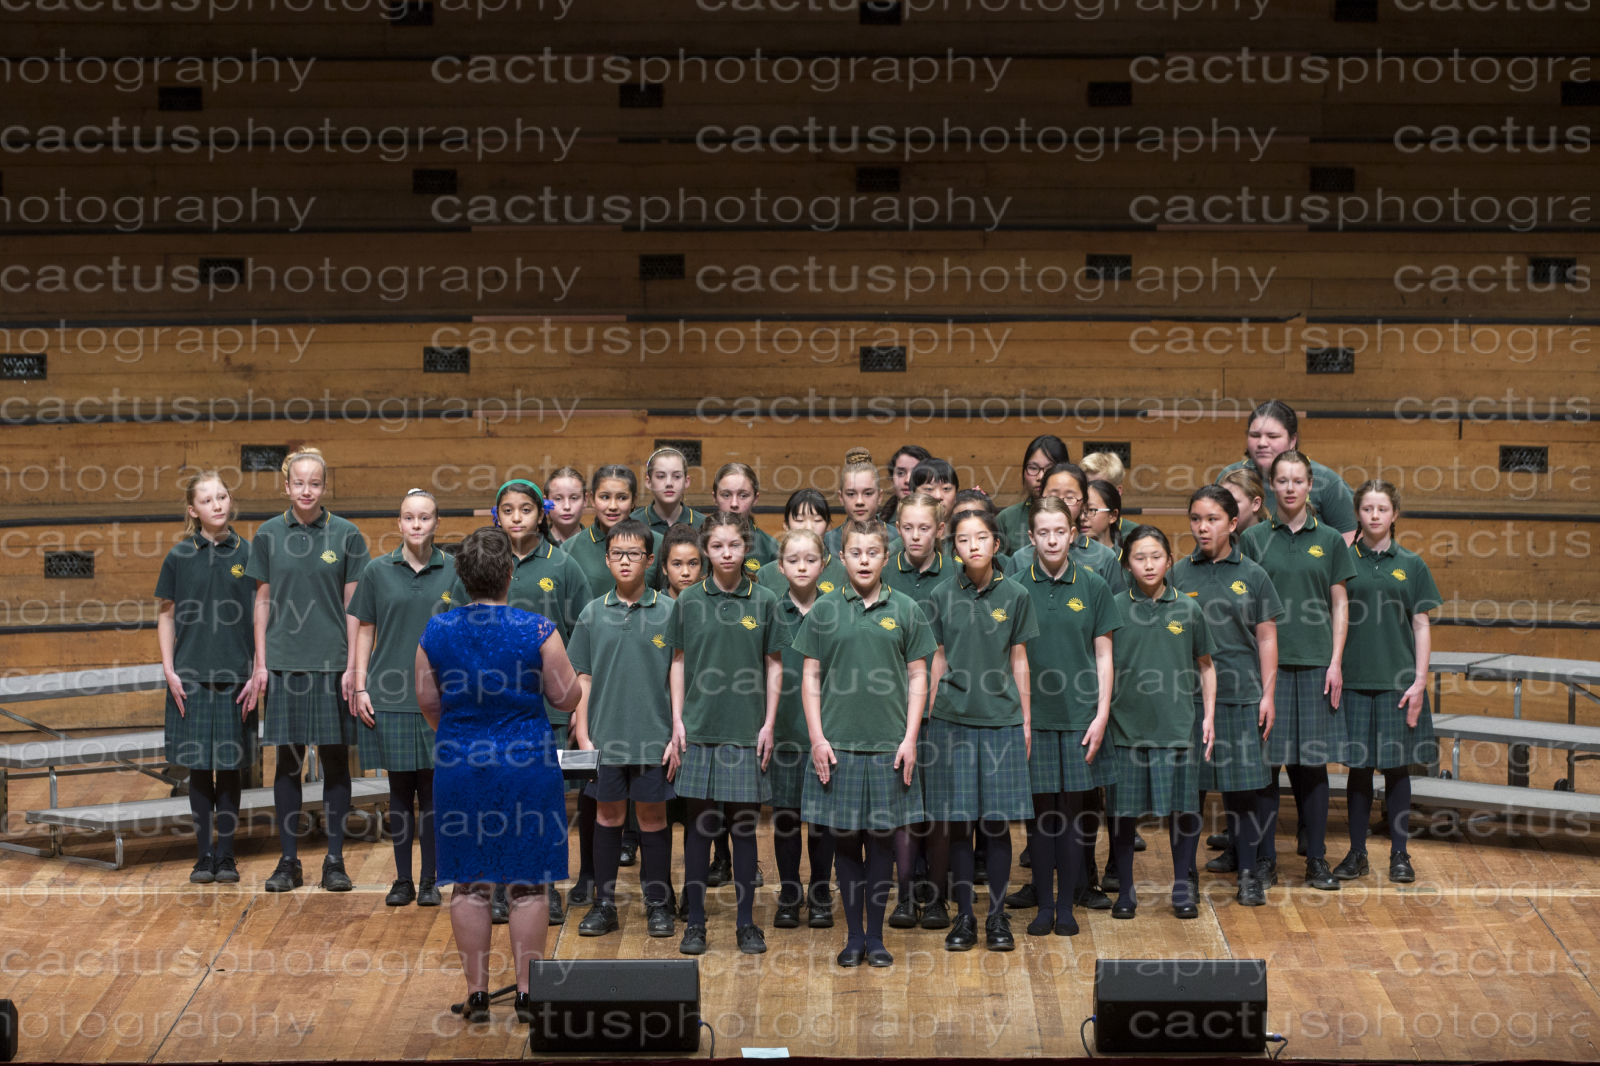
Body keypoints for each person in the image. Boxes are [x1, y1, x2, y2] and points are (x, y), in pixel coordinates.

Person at [417, 526, 580, 1025]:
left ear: (461, 576)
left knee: (470, 884)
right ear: (510, 572)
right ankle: (528, 994)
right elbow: (566, 698)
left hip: (461, 766)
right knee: (528, 884)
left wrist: (463, 735)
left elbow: (428, 702)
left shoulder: (436, 631)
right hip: (527, 766)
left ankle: (478, 994)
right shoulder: (537, 629)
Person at [452, 478, 592, 922]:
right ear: (496, 516)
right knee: (492, 801)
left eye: (526, 509)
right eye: (508, 510)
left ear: (541, 514)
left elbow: (583, 634)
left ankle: (542, 885)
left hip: (545, 708)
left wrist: (579, 702)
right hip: (488, 709)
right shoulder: (481, 563)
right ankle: (496, 886)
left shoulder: (563, 564)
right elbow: (458, 626)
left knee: (540, 805)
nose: (517, 517)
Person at [798, 518, 936, 968]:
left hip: (889, 747)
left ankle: (875, 937)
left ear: (885, 557)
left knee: (880, 845)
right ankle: (853, 936)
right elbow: (810, 677)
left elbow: (919, 676)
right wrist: (817, 738)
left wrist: (910, 739)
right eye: (855, 553)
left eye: (872, 553)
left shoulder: (908, 609)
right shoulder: (823, 609)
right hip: (837, 748)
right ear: (841, 558)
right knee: (844, 845)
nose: (863, 560)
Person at [245, 447, 370, 893]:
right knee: (288, 763)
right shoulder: (267, 534)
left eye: (314, 483)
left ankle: (334, 861)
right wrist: (261, 662)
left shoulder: (348, 534)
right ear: (286, 486)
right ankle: (288, 861)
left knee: (335, 762)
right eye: (299, 482)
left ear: (324, 486)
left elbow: (355, 607)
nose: (306, 490)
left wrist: (353, 666)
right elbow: (262, 602)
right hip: (284, 664)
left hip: (333, 664)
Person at [667, 512, 790, 956]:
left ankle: (746, 924)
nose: (725, 553)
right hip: (699, 731)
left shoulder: (766, 600)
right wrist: (677, 720)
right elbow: (678, 661)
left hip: (746, 732)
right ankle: (695, 923)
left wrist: (769, 723)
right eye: (717, 546)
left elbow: (774, 665)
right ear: (706, 550)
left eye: (734, 545)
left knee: (743, 829)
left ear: (746, 548)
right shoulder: (688, 600)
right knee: (699, 829)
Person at [1240, 450, 1356, 892]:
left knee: (1312, 766)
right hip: (1265, 670)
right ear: (1271, 485)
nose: (1289, 488)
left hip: (1315, 667)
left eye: (1298, 480)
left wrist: (1336, 661)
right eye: (1282, 480)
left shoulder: (1329, 540)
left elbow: (1339, 604)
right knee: (1266, 767)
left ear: (1310, 486)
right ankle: (1265, 859)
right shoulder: (1253, 540)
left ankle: (1317, 859)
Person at [923, 508, 1038, 951]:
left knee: (996, 824)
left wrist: (1025, 719)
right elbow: (937, 657)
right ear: (953, 546)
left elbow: (1019, 658)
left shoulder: (1016, 594)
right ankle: (964, 917)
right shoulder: (940, 594)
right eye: (963, 539)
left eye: (982, 537)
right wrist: (932, 713)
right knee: (959, 824)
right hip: (951, 720)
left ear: (996, 543)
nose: (973, 545)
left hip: (1001, 721)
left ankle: (996, 917)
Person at [1172, 486, 1283, 907]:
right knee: (1188, 794)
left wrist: (1267, 695)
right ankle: (1185, 877)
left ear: (1233, 523)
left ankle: (1249, 873)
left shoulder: (1253, 574)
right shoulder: (1177, 574)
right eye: (1196, 518)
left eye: (1213, 519)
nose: (1203, 527)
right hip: (1190, 700)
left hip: (1241, 697)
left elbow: (1267, 638)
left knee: (1243, 792)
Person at [568, 518, 679, 938]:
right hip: (604, 738)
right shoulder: (592, 612)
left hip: (654, 737)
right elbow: (582, 678)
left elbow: (678, 676)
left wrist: (675, 732)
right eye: (617, 554)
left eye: (634, 554)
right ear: (607, 560)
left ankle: (658, 903)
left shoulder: (670, 611)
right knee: (608, 815)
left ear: (650, 560)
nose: (625, 561)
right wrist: (583, 736)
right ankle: (605, 904)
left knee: (652, 817)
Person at [349, 488, 456, 907]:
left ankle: (430, 879)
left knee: (432, 793)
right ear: (398, 523)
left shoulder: (455, 570)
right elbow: (365, 630)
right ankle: (402, 879)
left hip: (439, 697)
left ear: (436, 523)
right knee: (398, 792)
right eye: (409, 517)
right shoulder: (377, 570)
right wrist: (360, 684)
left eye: (424, 517)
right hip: (389, 694)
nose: (416, 524)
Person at [157, 472, 265, 885]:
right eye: (207, 500)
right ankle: (204, 855)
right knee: (200, 769)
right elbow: (166, 616)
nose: (217, 504)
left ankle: (227, 855)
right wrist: (170, 670)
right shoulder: (178, 556)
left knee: (231, 768)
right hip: (191, 678)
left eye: (222, 496)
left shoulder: (250, 553)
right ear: (193, 510)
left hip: (237, 678)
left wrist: (257, 668)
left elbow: (261, 615)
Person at [1106, 525, 1218, 920]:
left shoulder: (1188, 609)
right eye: (1139, 557)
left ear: (1170, 560)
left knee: (1183, 812)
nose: (1149, 564)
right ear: (1127, 564)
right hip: (1125, 729)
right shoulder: (1113, 608)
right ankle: (1125, 889)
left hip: (1177, 728)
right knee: (1123, 814)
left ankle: (1183, 886)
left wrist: (1209, 716)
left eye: (1156, 556)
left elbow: (1206, 666)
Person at [1017, 497, 1118, 936]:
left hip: (1081, 718)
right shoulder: (1016, 588)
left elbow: (1104, 655)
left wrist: (1101, 714)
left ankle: (1067, 905)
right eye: (1043, 532)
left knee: (1076, 817)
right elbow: (1013, 658)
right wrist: (1020, 718)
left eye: (1060, 531)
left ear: (1073, 534)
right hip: (1035, 719)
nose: (1052, 540)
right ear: (1031, 537)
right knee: (1041, 819)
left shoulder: (1093, 585)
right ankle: (1044, 905)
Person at [1335, 480, 1442, 885]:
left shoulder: (1412, 564)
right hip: (1354, 682)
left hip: (1399, 684)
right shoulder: (1342, 561)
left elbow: (1421, 625)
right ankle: (1357, 853)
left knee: (1397, 770)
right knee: (1359, 771)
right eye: (1367, 508)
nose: (1375, 515)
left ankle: (1400, 853)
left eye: (1382, 509)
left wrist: (1419, 681)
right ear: (1357, 514)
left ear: (1395, 514)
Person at [880, 491, 951, 928]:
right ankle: (905, 895)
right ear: (897, 529)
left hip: (943, 711)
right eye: (908, 528)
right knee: (903, 808)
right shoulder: (884, 572)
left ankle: (939, 897)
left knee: (940, 809)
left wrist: (938, 704)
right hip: (894, 710)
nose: (916, 535)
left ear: (940, 530)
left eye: (925, 528)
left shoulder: (957, 573)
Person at [769, 528, 837, 930]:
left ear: (824, 564)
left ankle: (821, 891)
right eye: (793, 560)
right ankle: (790, 893)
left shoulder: (835, 610)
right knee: (786, 817)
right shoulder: (770, 610)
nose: (801, 566)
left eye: (810, 559)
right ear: (780, 566)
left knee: (823, 819)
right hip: (784, 731)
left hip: (827, 732)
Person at [1219, 400, 1358, 537]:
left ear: (1292, 440)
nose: (1262, 443)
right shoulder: (1229, 477)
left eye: (1273, 436)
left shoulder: (1328, 481)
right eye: (1255, 435)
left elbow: (1350, 543)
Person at [566, 465, 663, 598]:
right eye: (605, 497)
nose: (613, 506)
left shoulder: (658, 544)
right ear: (592, 499)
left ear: (633, 501)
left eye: (622, 498)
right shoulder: (570, 549)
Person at [756, 489, 848, 598]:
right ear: (786, 524)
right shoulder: (766, 574)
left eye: (817, 520)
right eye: (799, 520)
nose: (808, 527)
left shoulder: (843, 573)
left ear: (828, 525)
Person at [996, 435, 1070, 557]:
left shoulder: (1077, 515)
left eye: (1050, 469)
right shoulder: (1006, 519)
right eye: (1033, 468)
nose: (1040, 477)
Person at [712, 462, 779, 571]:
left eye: (743, 495)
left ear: (755, 499)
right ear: (715, 498)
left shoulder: (773, 550)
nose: (734, 504)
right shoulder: (696, 544)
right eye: (726, 495)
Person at [824, 449, 888, 556]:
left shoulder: (899, 538)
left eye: (868, 493)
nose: (859, 501)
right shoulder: (826, 542)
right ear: (841, 497)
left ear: (880, 496)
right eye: (851, 494)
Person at [635, 446, 705, 535]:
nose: (669, 483)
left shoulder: (703, 524)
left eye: (677, 476)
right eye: (661, 476)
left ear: (686, 482)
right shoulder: (633, 521)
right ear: (649, 482)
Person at [1080, 451, 1138, 542]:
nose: (1090, 492)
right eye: (1085, 486)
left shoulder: (1134, 534)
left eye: (1100, 487)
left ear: (1117, 492)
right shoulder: (1069, 528)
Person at [879, 444, 933, 531]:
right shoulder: (877, 524)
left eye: (916, 473)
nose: (908, 480)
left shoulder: (942, 522)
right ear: (892, 479)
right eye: (901, 473)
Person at [544, 467, 588, 547]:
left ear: (585, 500)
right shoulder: (534, 544)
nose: (567, 506)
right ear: (546, 503)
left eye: (574, 498)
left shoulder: (600, 545)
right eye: (558, 499)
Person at [1220, 467, 1271, 534]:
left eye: (1233, 502)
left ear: (1256, 504)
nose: (1225, 508)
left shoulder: (1273, 537)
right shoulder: (1217, 536)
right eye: (1222, 502)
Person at [660, 522, 705, 598]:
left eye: (692, 564)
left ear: (701, 568)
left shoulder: (711, 602)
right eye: (677, 564)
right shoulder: (656, 603)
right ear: (664, 568)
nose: (685, 572)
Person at [1081, 480, 1124, 553]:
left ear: (1113, 516)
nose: (1082, 517)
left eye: (1091, 510)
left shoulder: (1123, 557)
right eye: (1079, 510)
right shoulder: (1068, 556)